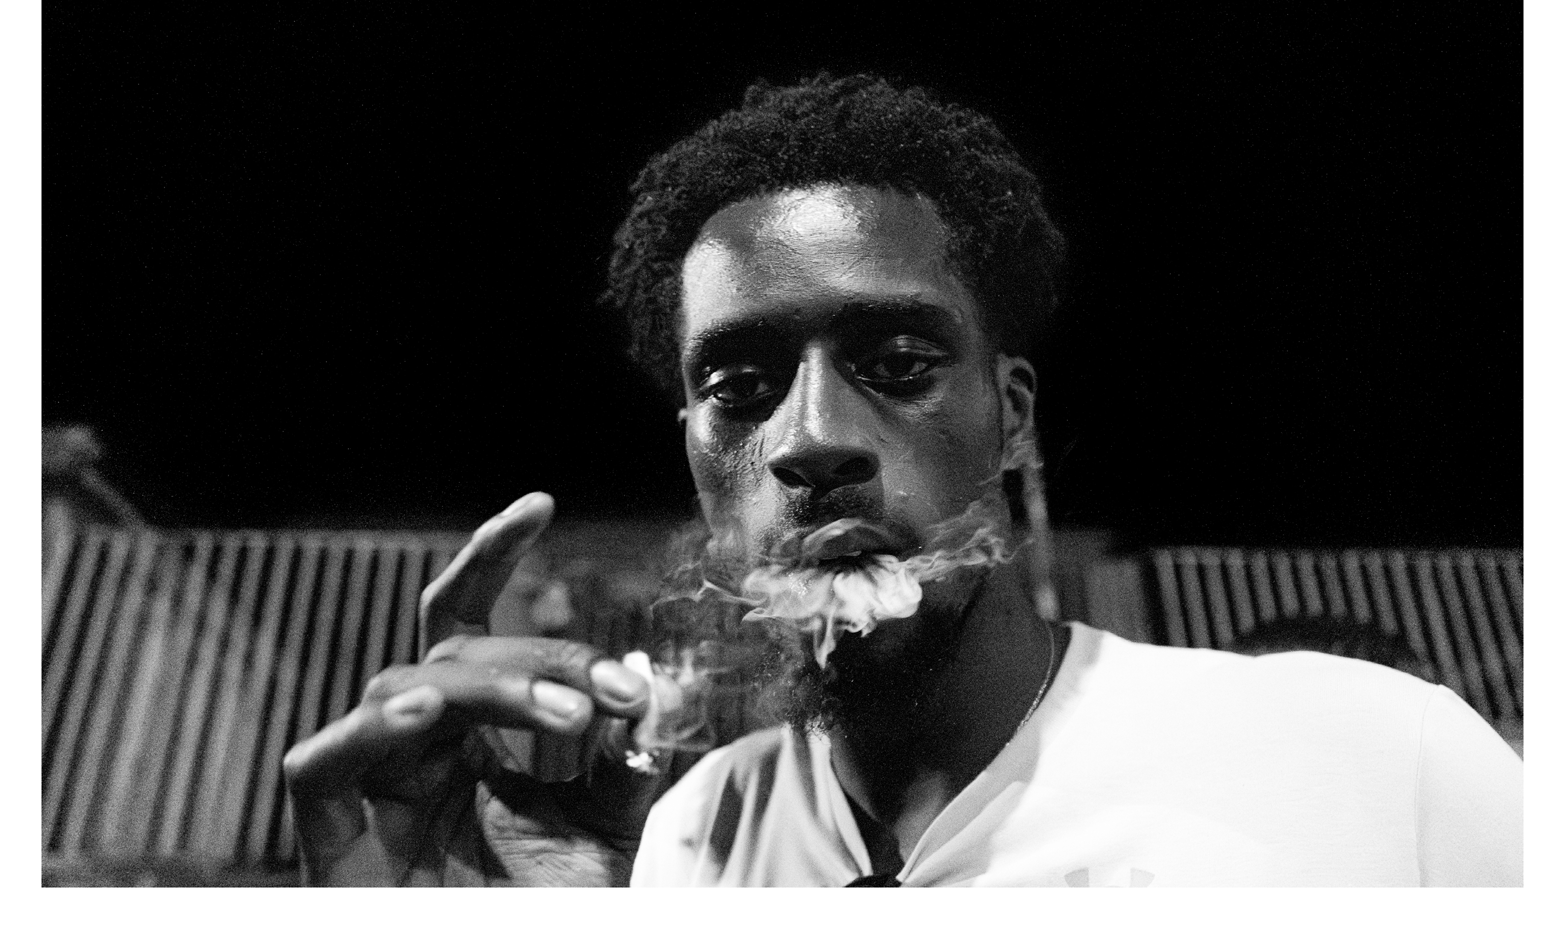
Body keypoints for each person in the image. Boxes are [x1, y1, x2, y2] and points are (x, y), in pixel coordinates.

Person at [283, 74, 1522, 887]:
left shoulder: (1371, 756)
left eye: (896, 363)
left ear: (1010, 417)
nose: (812, 436)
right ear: (696, 456)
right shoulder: (682, 842)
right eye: (739, 385)